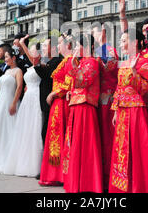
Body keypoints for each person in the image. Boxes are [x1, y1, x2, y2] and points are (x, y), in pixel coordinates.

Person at [109, 29, 148, 193]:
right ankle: (122, 187)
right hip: (123, 111)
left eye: (124, 41)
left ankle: (139, 187)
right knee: (121, 150)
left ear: (135, 42)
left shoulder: (145, 61)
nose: (121, 44)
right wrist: (116, 110)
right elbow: (119, 88)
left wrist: (134, 72)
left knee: (137, 150)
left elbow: (146, 88)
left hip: (137, 110)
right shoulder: (125, 62)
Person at [61, 34, 103, 193]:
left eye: (79, 46)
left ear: (90, 47)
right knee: (76, 144)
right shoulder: (82, 62)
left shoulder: (92, 62)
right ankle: (76, 181)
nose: (77, 49)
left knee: (83, 145)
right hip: (77, 106)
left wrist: (72, 67)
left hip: (85, 107)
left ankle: (85, 183)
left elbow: (82, 80)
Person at [3, 41, 43, 177]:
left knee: (35, 128)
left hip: (36, 96)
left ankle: (36, 163)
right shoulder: (29, 68)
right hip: (27, 98)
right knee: (25, 129)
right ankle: (22, 161)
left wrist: (22, 43)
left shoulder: (41, 66)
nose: (30, 53)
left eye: (32, 51)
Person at [39, 33, 74, 186]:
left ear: (68, 45)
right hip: (57, 104)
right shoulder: (64, 61)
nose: (57, 46)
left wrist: (54, 93)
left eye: (60, 43)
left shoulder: (71, 61)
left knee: (59, 136)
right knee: (54, 137)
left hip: (61, 103)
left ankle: (59, 174)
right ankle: (54, 173)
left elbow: (69, 82)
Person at [20, 36, 63, 146]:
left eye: (44, 46)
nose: (42, 48)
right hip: (40, 101)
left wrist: (37, 65)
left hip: (51, 102)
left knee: (45, 132)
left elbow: (48, 75)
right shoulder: (49, 61)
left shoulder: (57, 61)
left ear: (53, 48)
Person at [92, 23, 119, 191]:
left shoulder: (108, 50)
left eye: (94, 33)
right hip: (98, 100)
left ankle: (108, 177)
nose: (93, 37)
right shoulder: (97, 51)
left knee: (107, 139)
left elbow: (109, 67)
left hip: (107, 100)